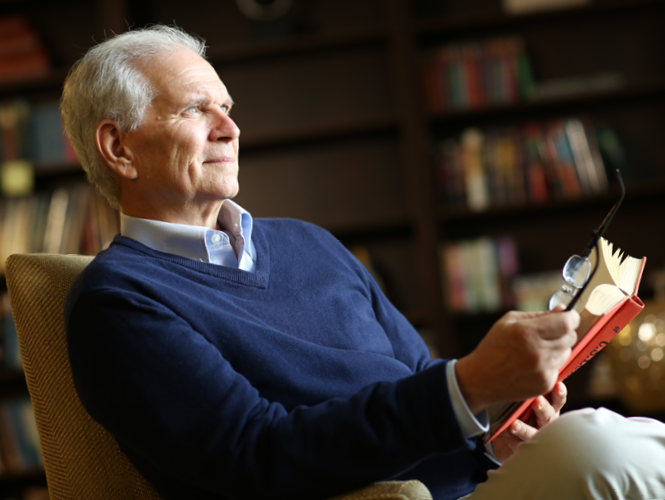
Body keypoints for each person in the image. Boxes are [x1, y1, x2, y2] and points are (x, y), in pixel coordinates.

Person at [61, 25, 665, 500]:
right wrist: (470, 385)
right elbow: (260, 457)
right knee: (601, 448)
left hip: (463, 488)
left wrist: (492, 428)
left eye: (228, 106)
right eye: (196, 110)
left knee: (602, 435)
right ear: (119, 148)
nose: (231, 128)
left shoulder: (308, 243)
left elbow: (418, 379)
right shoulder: (117, 303)